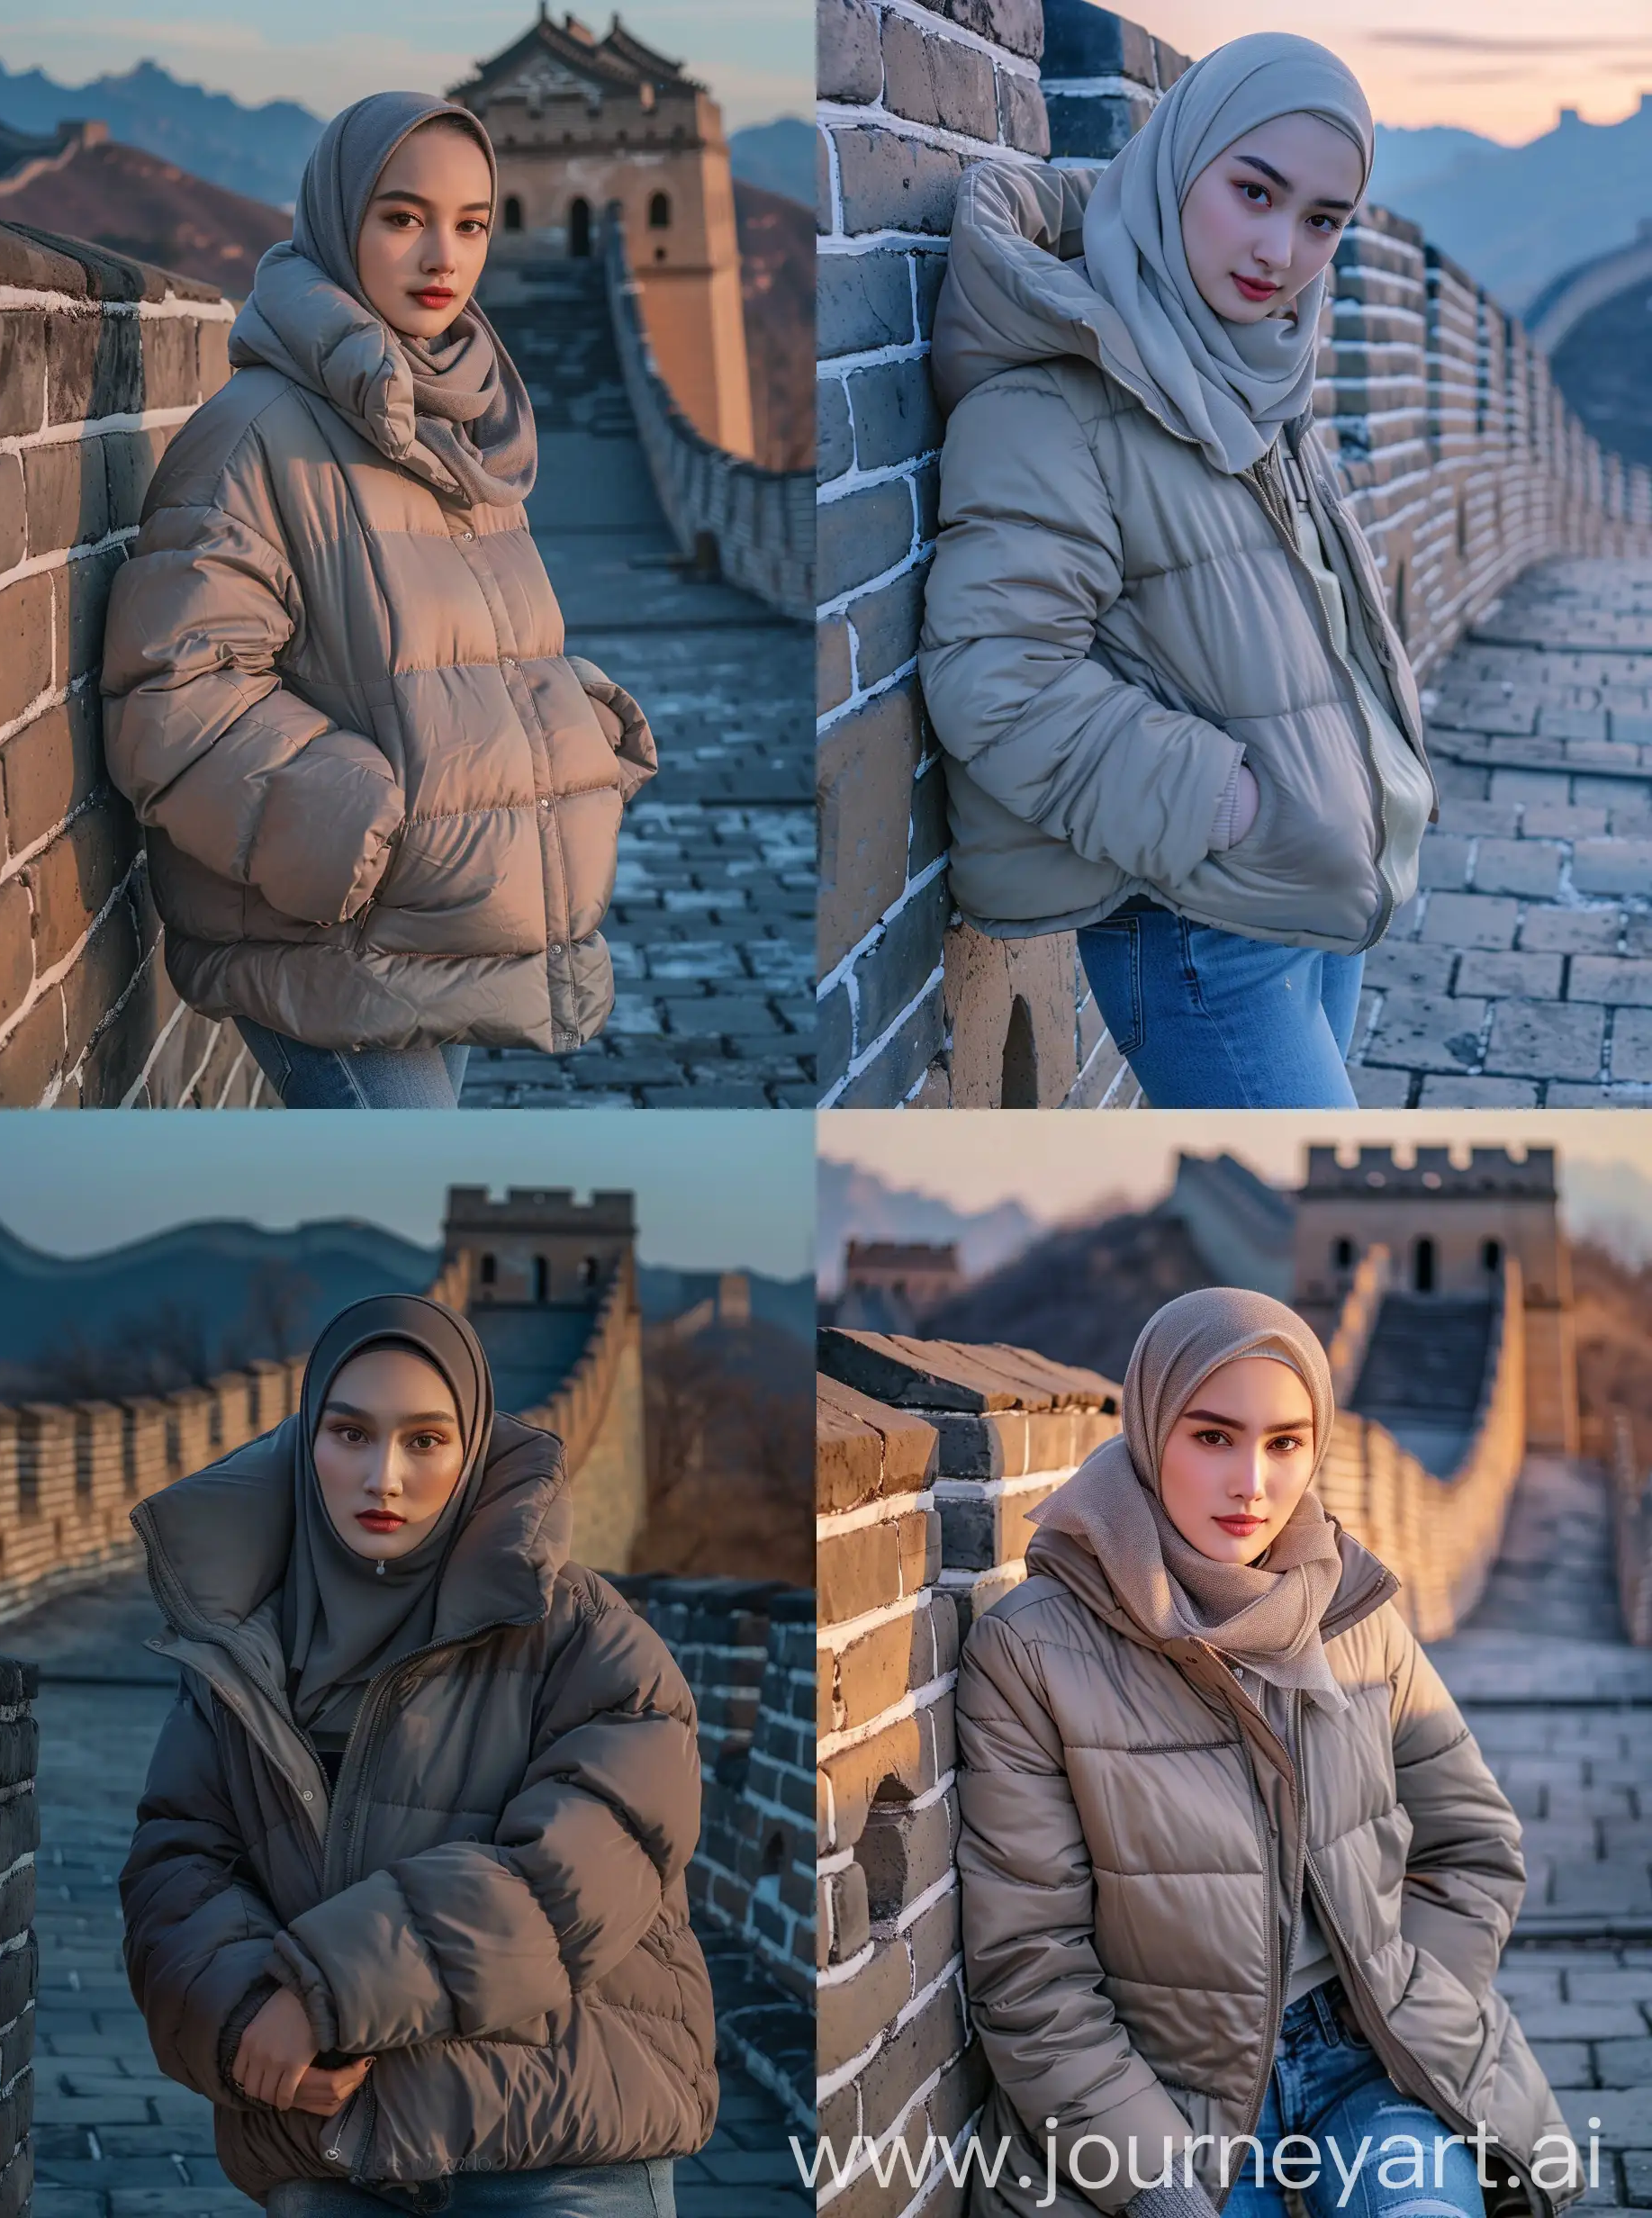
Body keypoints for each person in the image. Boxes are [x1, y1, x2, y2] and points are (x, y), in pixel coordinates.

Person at [954, 1286, 1583, 2218]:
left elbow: (1473, 1842)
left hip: (1366, 2070)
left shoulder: (1351, 1611)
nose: (1251, 1482)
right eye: (1211, 1437)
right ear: (1151, 1423)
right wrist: (1149, 2181)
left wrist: (1408, 2001)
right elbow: (1030, 1968)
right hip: (1166, 2098)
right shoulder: (1031, 1651)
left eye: (1283, 1441)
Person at [102, 95, 655, 1111]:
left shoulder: (460, 423)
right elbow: (172, 689)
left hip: (447, 918)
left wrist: (558, 716)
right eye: (403, 218)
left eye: (472, 223)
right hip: (328, 939)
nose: (442, 254)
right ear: (338, 219)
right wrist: (356, 820)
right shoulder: (257, 433)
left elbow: (437, 648)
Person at [918, 36, 1436, 1108]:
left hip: (1312, 892)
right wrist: (1223, 802)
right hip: (1197, 928)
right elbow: (993, 677)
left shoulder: (1251, 371)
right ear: (1174, 163)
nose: (1278, 250)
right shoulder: (1049, 404)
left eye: (1320, 221)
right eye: (1252, 191)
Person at [118, 1295, 713, 2217]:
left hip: (557, 2144)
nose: (382, 1477)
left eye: (425, 1441)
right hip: (328, 2149)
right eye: (350, 1433)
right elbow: (174, 1870)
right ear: (304, 1442)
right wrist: (241, 2018)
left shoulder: (585, 1640)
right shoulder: (240, 1653)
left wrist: (323, 1992)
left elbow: (572, 1877)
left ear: (472, 1450)